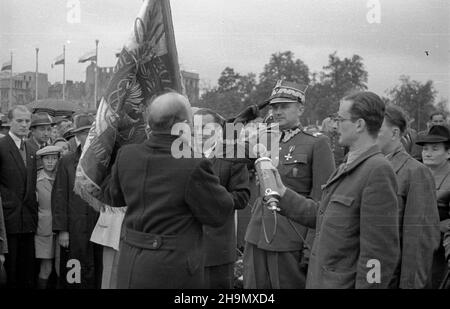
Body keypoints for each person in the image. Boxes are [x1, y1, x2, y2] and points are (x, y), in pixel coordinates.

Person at [98, 92, 235, 289]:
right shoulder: (193, 163)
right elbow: (219, 213)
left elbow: (114, 197)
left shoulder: (126, 155)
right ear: (182, 125)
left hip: (130, 261)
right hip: (172, 269)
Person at [266, 91, 400, 288]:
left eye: (340, 119)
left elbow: (378, 254)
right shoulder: (350, 164)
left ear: (359, 125)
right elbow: (325, 216)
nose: (335, 126)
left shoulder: (377, 170)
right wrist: (283, 194)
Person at [244, 80, 335, 289]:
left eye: (284, 106)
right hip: (257, 233)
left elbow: (323, 202)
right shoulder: (263, 139)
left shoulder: (316, 143)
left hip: (291, 237)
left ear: (300, 108)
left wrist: (311, 247)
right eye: (274, 107)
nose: (277, 111)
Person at [376, 105, 440, 288]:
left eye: (377, 130)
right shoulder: (367, 167)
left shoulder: (414, 172)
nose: (369, 135)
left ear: (395, 133)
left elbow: (419, 242)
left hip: (390, 277)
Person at [193, 108, 251, 289]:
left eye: (205, 127)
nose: (200, 133)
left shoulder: (232, 156)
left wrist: (214, 199)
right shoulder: (183, 156)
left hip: (216, 250)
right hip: (185, 248)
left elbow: (242, 197)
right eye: (195, 128)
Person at [52, 113, 103, 289]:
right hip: (74, 227)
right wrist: (63, 230)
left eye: (91, 131)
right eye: (84, 132)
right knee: (74, 271)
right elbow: (59, 196)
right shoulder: (67, 161)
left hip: (98, 225)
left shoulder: (104, 161)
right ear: (77, 135)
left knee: (96, 270)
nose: (88, 135)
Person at [0, 105, 38, 288]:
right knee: (10, 272)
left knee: (27, 271)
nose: (24, 125)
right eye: (19, 121)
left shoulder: (31, 149)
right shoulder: (1, 147)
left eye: (27, 121)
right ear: (9, 122)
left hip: (28, 222)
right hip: (8, 222)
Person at [415, 125, 450, 288]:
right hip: (415, 246)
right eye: (425, 149)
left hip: (441, 251)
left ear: (448, 152)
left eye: (435, 149)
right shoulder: (417, 172)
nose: (427, 153)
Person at [35, 145, 62, 289]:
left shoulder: (62, 178)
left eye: (54, 158)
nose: (50, 162)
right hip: (45, 229)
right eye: (47, 159)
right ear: (42, 160)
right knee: (46, 267)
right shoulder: (37, 181)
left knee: (60, 267)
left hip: (62, 228)